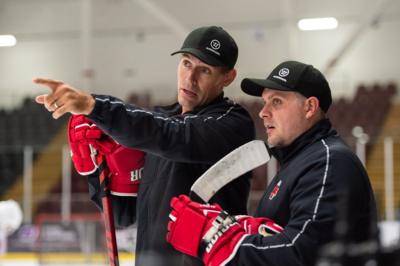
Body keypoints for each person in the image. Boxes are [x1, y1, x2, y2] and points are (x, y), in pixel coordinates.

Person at [34, 26, 255, 265]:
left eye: (205, 70)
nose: (190, 78)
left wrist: (94, 106)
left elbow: (174, 136)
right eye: (186, 63)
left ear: (228, 77)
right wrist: (95, 172)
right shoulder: (162, 122)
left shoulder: (233, 123)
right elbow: (123, 216)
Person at [166, 60, 378, 266]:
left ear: (310, 107)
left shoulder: (329, 163)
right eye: (265, 101)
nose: (263, 112)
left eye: (276, 101)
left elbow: (301, 253)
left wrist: (218, 243)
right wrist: (242, 227)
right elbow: (282, 237)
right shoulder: (298, 162)